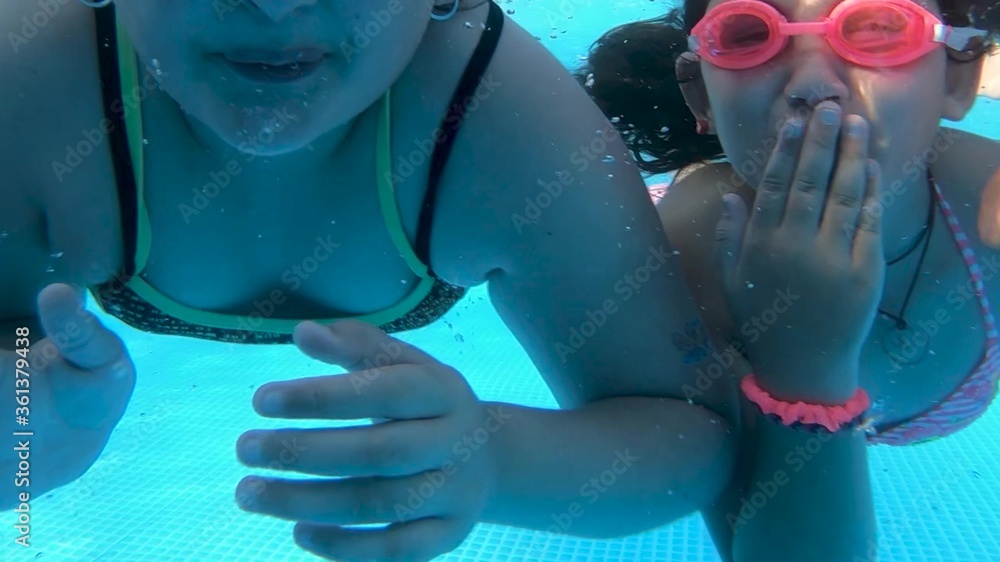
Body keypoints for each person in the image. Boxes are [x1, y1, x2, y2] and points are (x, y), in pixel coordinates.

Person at [0, 1, 741, 560]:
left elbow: (692, 436)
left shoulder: (504, 123)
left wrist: (498, 458)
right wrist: (24, 435)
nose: (275, 7)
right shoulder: (28, 86)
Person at [580, 0, 1000, 560]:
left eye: (876, 26)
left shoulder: (989, 208)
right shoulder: (668, 266)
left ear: (957, 76)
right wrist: (807, 366)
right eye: (749, 31)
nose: (811, 84)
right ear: (700, 95)